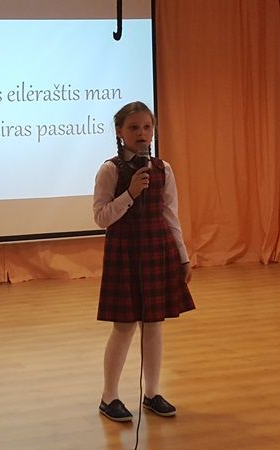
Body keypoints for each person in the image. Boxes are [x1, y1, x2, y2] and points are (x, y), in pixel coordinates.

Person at [93, 101, 195, 422]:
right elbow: (101, 217)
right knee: (124, 327)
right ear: (119, 132)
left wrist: (182, 257)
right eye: (134, 127)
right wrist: (130, 194)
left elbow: (170, 215)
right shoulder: (110, 170)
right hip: (124, 253)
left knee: (153, 325)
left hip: (156, 249)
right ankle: (109, 397)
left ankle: (152, 393)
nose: (142, 133)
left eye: (147, 127)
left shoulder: (164, 169)